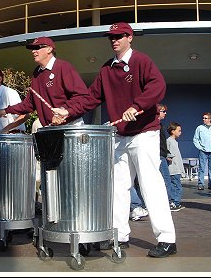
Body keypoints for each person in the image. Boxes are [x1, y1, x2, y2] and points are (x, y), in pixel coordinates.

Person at [52, 22, 177, 257]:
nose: (114, 40)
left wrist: (137, 105)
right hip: (120, 135)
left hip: (145, 133)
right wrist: (67, 111)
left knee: (151, 186)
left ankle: (168, 239)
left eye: (119, 36)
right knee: (118, 188)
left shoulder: (141, 61)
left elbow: (158, 85)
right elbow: (90, 98)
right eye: (111, 37)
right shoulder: (106, 69)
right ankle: (119, 236)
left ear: (130, 38)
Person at [0, 37, 89, 126]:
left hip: (71, 126)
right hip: (50, 128)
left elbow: (81, 96)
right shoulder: (36, 73)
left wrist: (64, 110)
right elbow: (29, 104)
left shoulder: (64, 67)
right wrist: (5, 111)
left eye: (37, 47)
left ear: (49, 49)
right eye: (32, 49)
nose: (33, 51)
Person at [193, 112, 211, 190]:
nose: (204, 119)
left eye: (206, 118)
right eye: (203, 118)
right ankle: (201, 184)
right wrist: (200, 148)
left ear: (210, 119)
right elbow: (195, 139)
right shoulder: (199, 128)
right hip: (203, 151)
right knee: (202, 168)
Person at [166, 122, 185, 212]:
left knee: (176, 186)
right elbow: (168, 153)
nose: (180, 132)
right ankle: (174, 202)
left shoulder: (174, 142)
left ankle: (174, 202)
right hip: (173, 169)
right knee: (177, 187)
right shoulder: (169, 141)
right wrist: (168, 156)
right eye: (179, 130)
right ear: (173, 131)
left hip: (176, 169)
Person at [157, 104, 173, 203]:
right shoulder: (155, 126)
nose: (165, 113)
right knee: (166, 179)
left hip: (162, 154)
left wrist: (166, 152)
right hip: (158, 156)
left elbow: (162, 142)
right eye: (163, 111)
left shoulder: (160, 125)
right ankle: (168, 201)